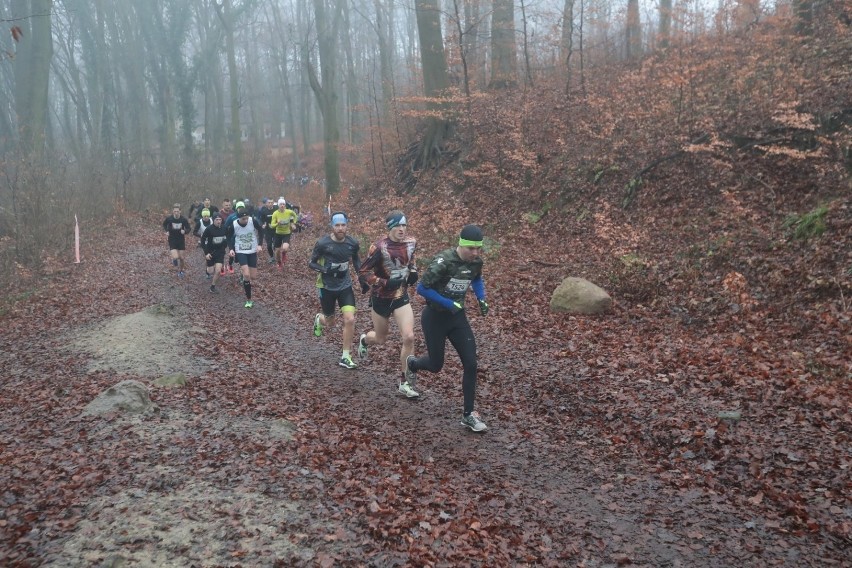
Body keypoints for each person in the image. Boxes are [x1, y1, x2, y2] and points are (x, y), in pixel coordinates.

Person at [407, 225, 490, 432]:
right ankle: (413, 364)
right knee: (436, 365)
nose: (475, 253)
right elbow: (421, 288)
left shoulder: (476, 262)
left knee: (471, 363)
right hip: (434, 317)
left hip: (457, 318)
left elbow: (476, 278)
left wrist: (481, 298)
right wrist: (447, 303)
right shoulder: (443, 261)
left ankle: (468, 415)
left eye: (478, 248)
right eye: (471, 248)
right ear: (461, 244)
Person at [357, 210, 420, 398]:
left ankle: (405, 382)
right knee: (380, 338)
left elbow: (411, 260)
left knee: (409, 337)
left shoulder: (412, 242)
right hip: (380, 298)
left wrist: (414, 270)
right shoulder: (378, 247)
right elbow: (363, 272)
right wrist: (383, 282)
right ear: (390, 227)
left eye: (404, 225)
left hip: (400, 297)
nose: (402, 229)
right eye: (397, 225)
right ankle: (364, 340)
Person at [309, 212, 363, 369]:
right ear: (332, 227)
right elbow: (311, 263)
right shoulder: (323, 243)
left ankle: (346, 356)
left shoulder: (352, 243)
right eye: (337, 225)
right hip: (326, 287)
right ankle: (320, 319)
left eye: (343, 225)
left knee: (350, 319)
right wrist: (324, 269)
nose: (340, 228)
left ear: (347, 225)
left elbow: (357, 262)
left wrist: (362, 278)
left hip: (345, 286)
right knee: (331, 322)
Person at [226, 206, 263, 308]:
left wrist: (260, 244)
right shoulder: (234, 225)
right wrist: (231, 249)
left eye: (246, 218)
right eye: (243, 219)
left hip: (252, 250)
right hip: (241, 250)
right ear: (238, 218)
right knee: (247, 275)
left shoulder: (252, 221)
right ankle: (249, 300)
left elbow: (260, 230)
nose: (245, 220)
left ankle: (244, 275)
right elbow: (228, 237)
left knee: (253, 276)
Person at [162, 204, 191, 278]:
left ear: (180, 211)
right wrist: (167, 231)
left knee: (181, 258)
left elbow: (189, 228)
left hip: (181, 240)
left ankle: (181, 271)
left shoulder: (183, 220)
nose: (176, 213)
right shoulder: (169, 219)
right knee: (176, 256)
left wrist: (185, 231)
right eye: (175, 211)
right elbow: (164, 225)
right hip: (172, 239)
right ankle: (174, 259)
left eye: (177, 211)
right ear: (173, 212)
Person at [201, 214, 228, 293]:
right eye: (217, 220)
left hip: (220, 252)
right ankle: (207, 270)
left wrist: (226, 245)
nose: (219, 221)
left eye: (220, 219)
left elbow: (227, 237)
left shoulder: (224, 228)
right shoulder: (209, 229)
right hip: (210, 252)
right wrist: (206, 253)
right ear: (213, 220)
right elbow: (203, 240)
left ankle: (212, 287)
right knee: (210, 271)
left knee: (218, 271)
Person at [270, 198, 298, 270]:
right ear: (278, 205)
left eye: (283, 204)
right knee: (277, 251)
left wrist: (293, 223)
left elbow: (295, 215)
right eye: (281, 204)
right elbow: (272, 225)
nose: (282, 205)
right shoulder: (275, 213)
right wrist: (277, 223)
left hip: (286, 233)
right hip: (278, 233)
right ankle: (279, 263)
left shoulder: (289, 212)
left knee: (285, 248)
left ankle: (284, 254)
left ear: (285, 205)